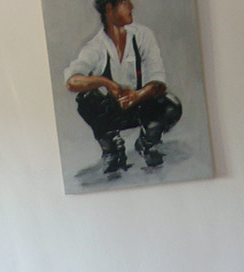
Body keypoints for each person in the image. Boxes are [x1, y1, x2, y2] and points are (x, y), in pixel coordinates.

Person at [64, 0, 182, 174]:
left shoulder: (142, 36)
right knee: (86, 99)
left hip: (141, 107)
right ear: (109, 8)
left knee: (171, 105)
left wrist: (137, 96)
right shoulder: (96, 47)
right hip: (113, 113)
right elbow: (71, 82)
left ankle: (147, 142)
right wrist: (106, 83)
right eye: (125, 2)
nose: (131, 6)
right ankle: (112, 149)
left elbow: (159, 83)